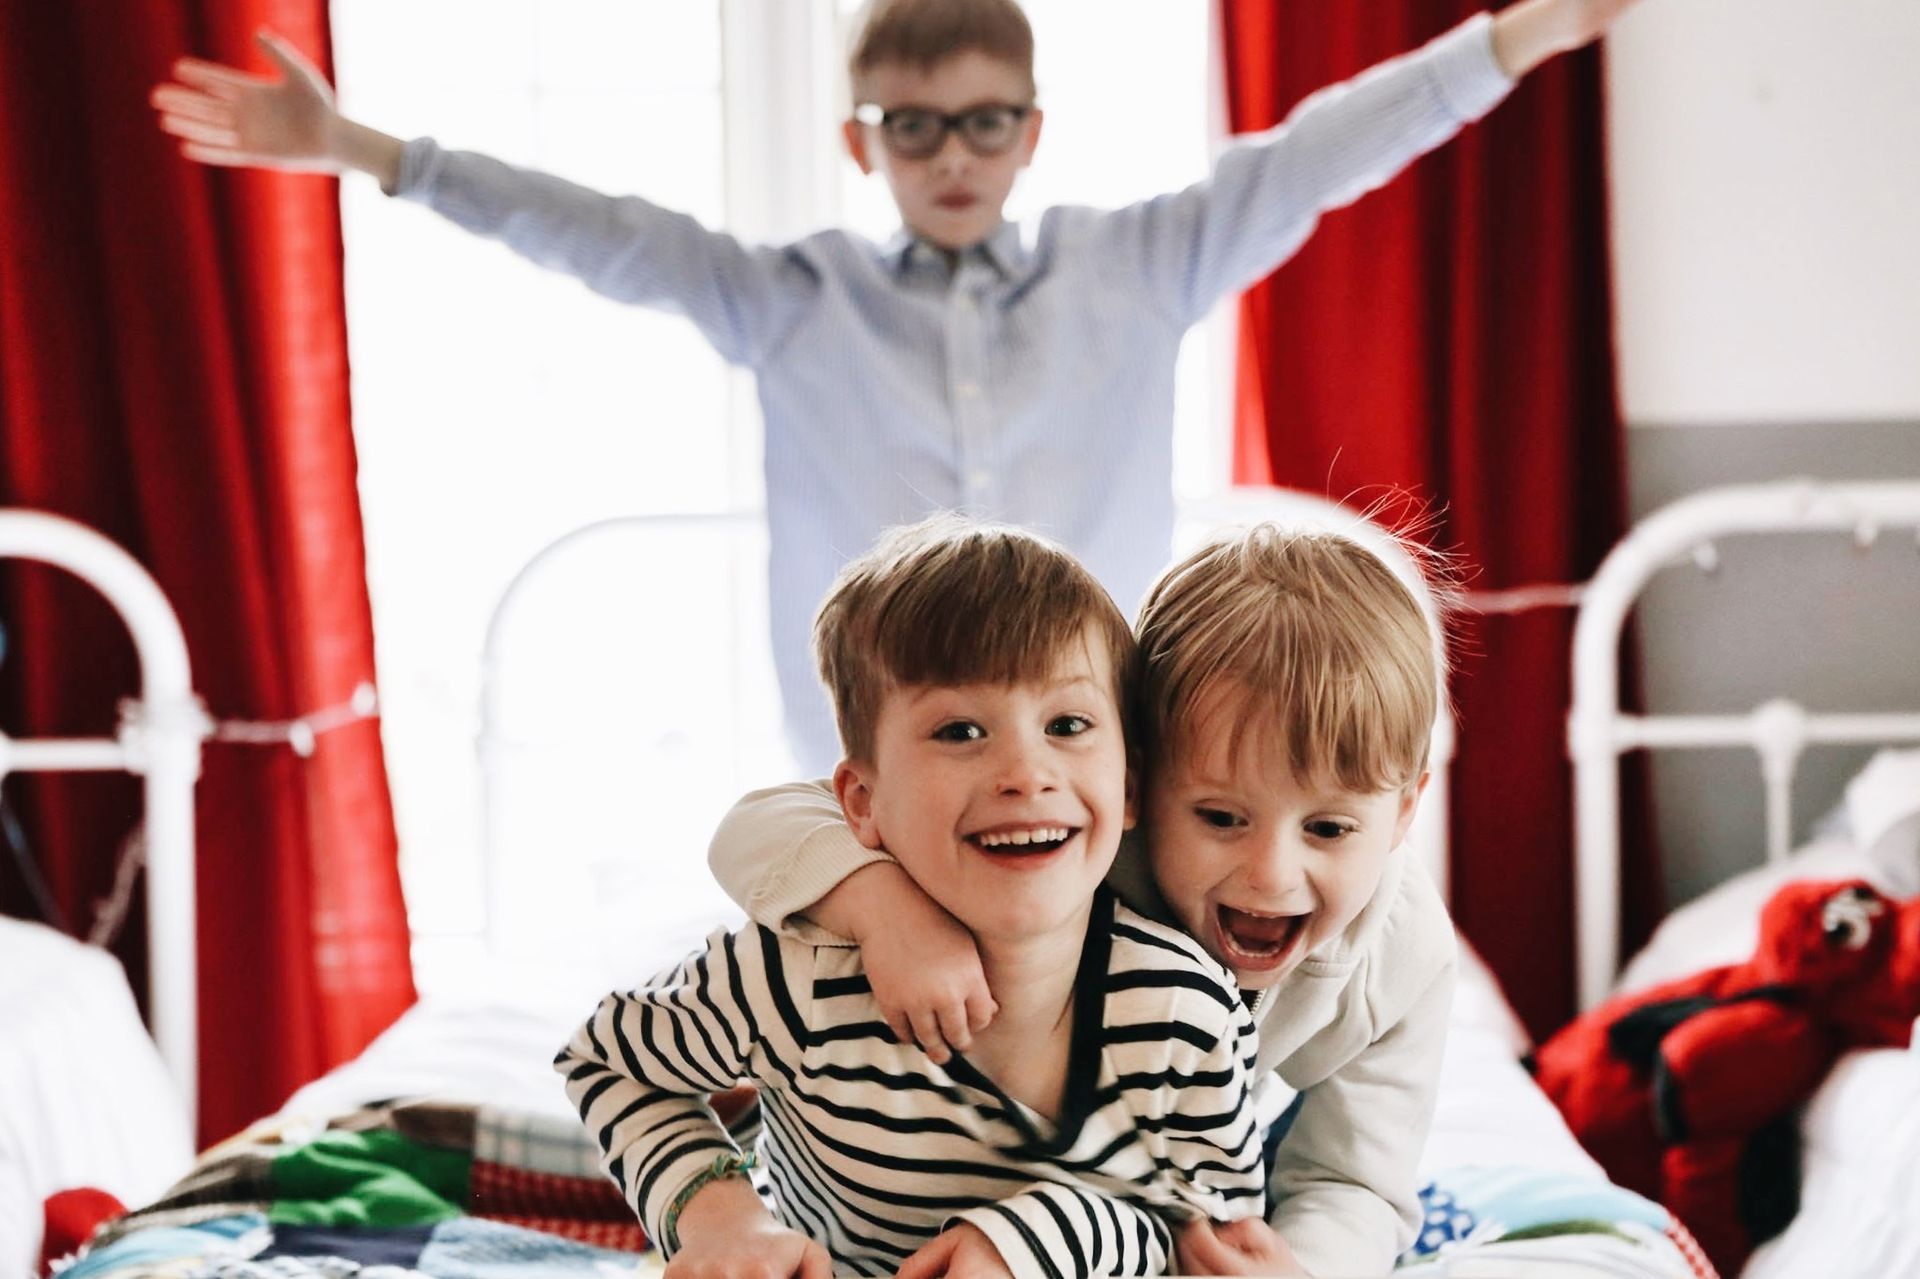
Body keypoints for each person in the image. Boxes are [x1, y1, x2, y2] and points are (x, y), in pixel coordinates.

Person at [150, 0, 1639, 772]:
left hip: (1104, 741)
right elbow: (600, 232)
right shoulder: (790, 299)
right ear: (863, 142)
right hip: (868, 760)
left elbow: (1317, 150)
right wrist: (368, 152)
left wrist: (1508, 42)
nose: (953, 156)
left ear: (1034, 129)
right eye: (915, 127)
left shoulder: (1145, 264)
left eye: (986, 122)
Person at [710, 522, 1452, 1277]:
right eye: (1219, 817)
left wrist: (1301, 1266)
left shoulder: (1405, 954)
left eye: (1329, 827)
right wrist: (881, 905)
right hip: (923, 1153)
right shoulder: (1077, 837)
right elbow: (759, 824)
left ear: (1403, 811)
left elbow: (1354, 1178)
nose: (1269, 873)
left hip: (1154, 1164)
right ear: (1138, 774)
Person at [556, 517, 1270, 1279]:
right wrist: (722, 1217)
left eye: (1067, 723)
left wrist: (1038, 1237)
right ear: (862, 801)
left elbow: (1212, 1245)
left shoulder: (1184, 1014)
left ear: (1129, 785)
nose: (1026, 771)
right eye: (960, 730)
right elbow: (609, 1060)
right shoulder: (796, 977)